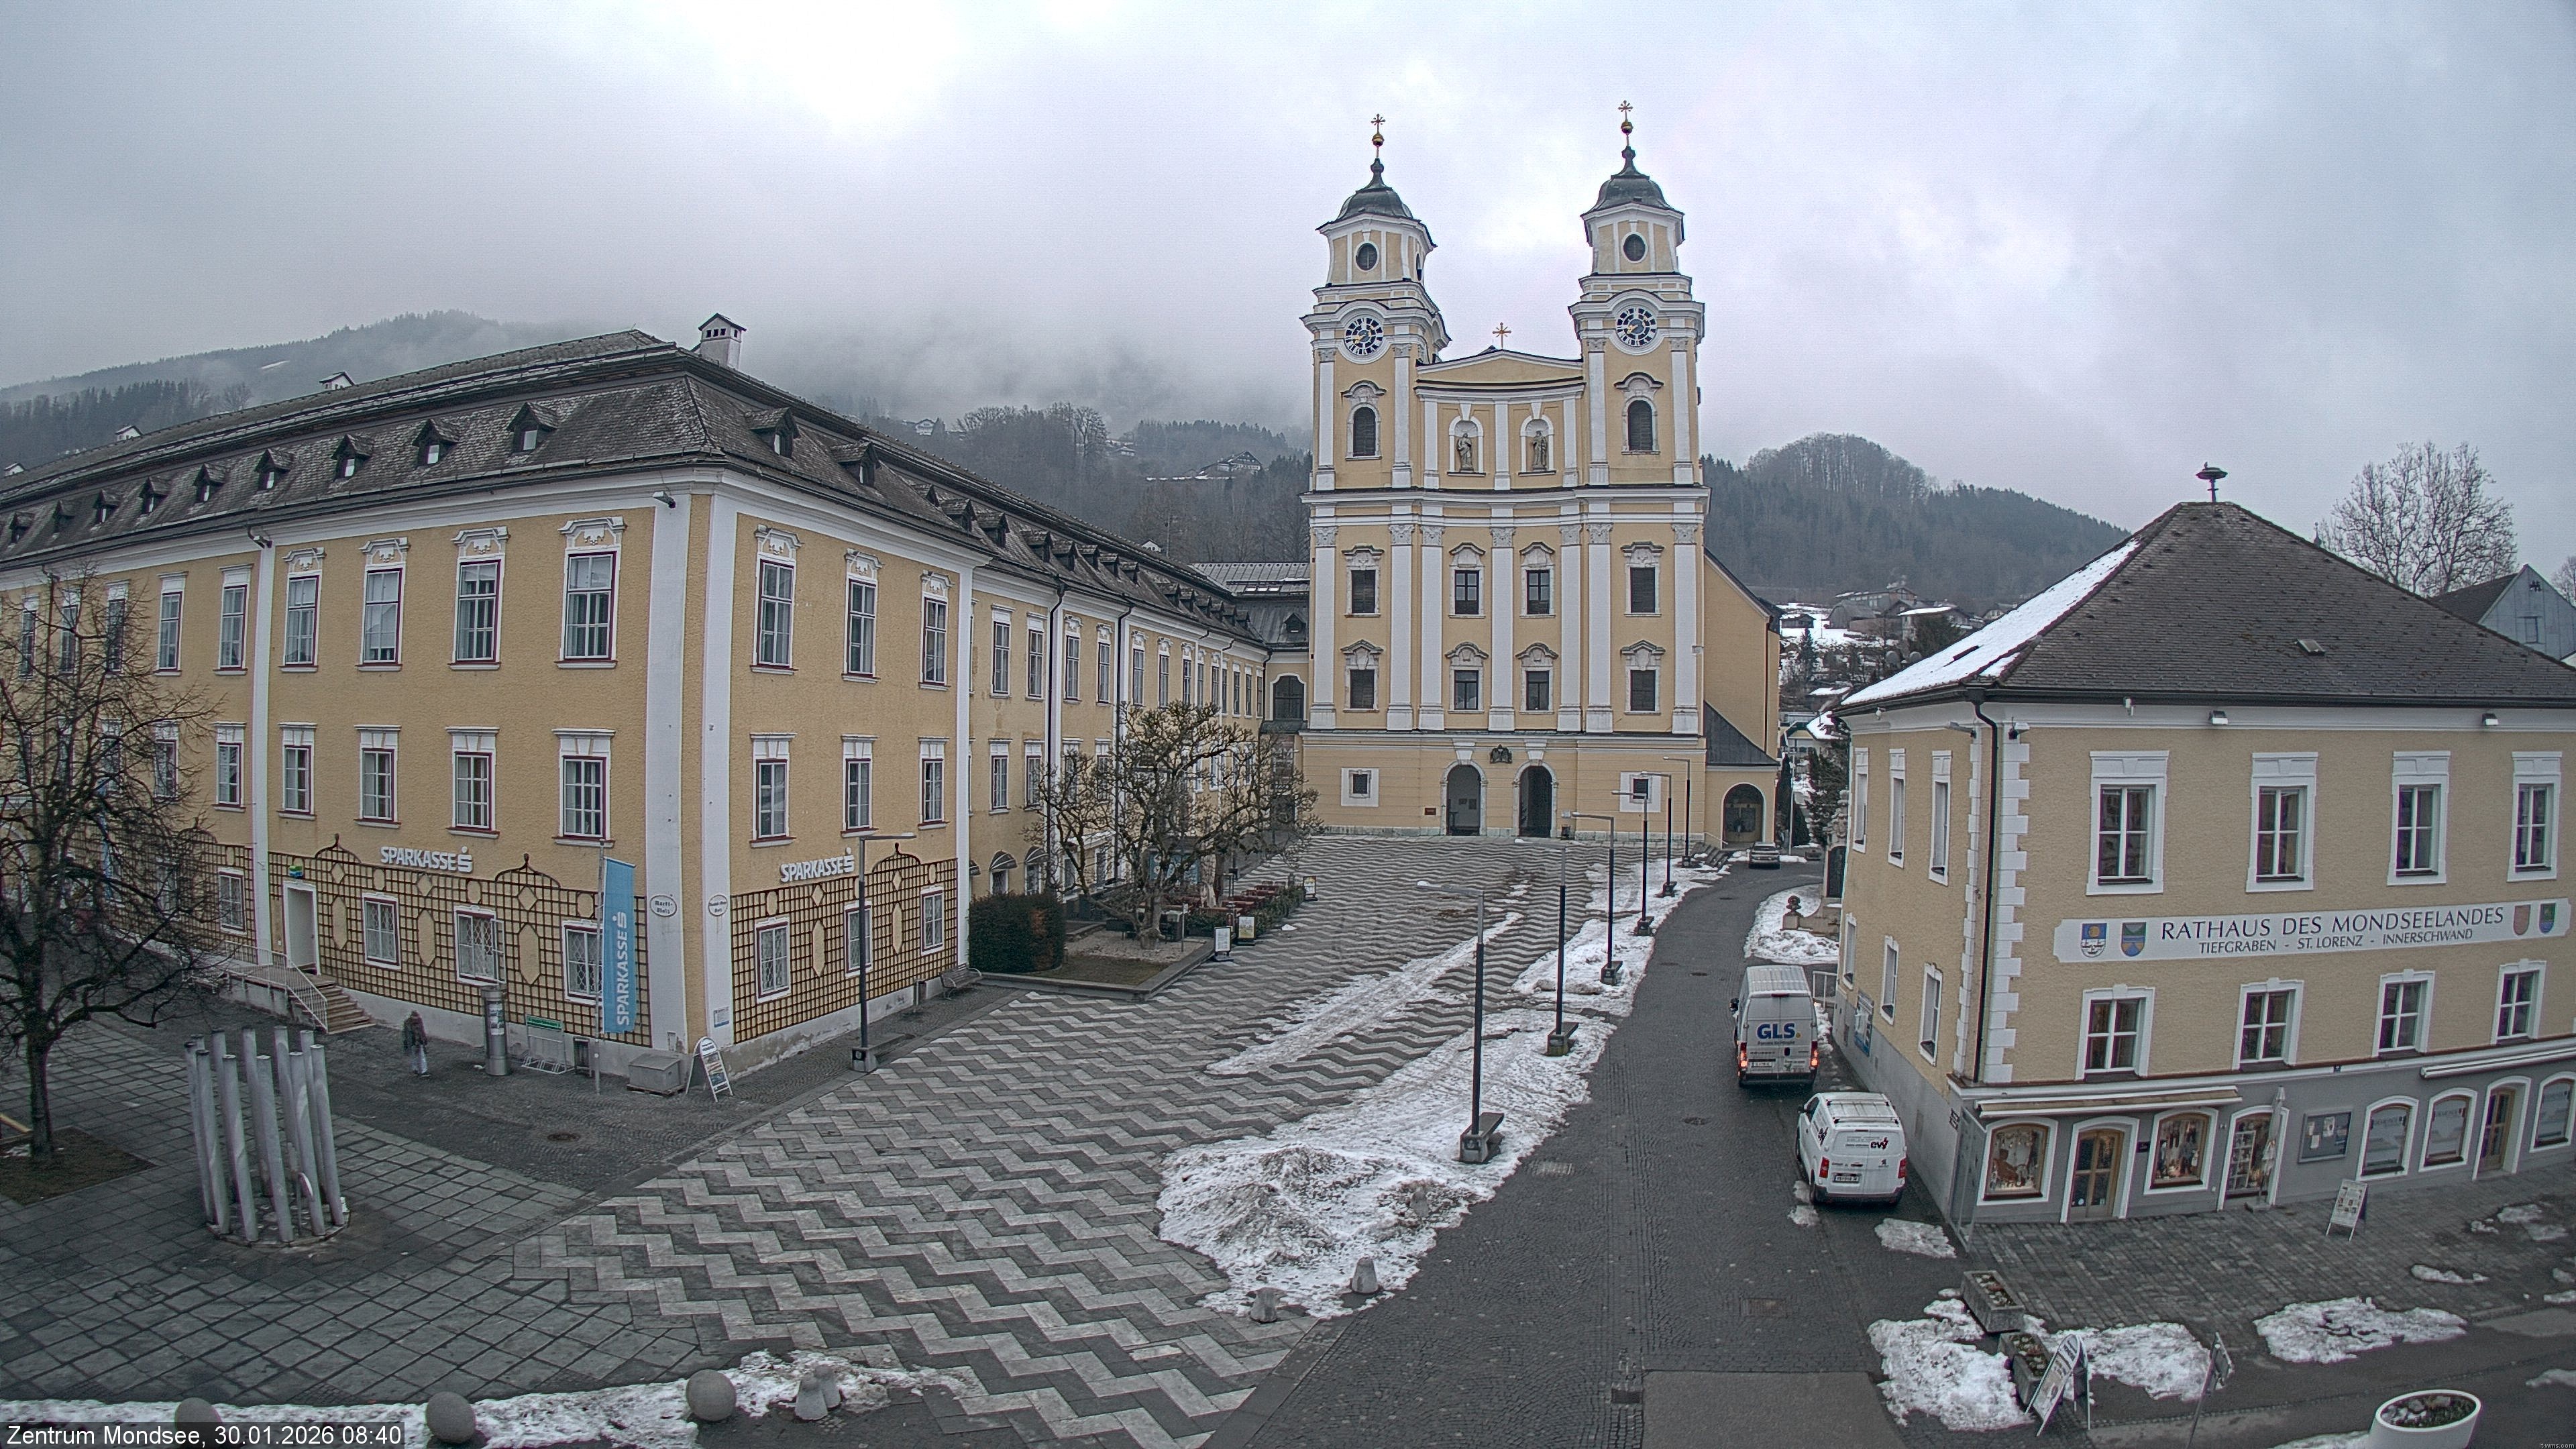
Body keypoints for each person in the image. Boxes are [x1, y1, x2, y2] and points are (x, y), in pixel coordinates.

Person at [401, 1012, 430, 1077]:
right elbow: (407, 1034)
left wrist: (424, 1039)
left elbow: (422, 1031)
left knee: (420, 1056)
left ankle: (422, 1070)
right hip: (412, 1041)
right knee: (415, 1056)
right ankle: (417, 1070)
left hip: (418, 1041)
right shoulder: (408, 1023)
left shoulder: (414, 1022)